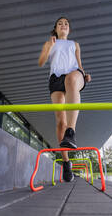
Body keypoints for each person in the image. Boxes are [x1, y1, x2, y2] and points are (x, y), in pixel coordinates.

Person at [38, 17, 91, 182]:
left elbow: (79, 64)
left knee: (71, 80)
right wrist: (49, 47)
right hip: (55, 79)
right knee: (60, 121)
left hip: (74, 74)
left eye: (66, 24)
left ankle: (71, 132)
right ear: (55, 28)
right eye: (60, 23)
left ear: (69, 29)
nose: (63, 25)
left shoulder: (74, 44)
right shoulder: (50, 43)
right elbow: (41, 62)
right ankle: (66, 162)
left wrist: (84, 74)